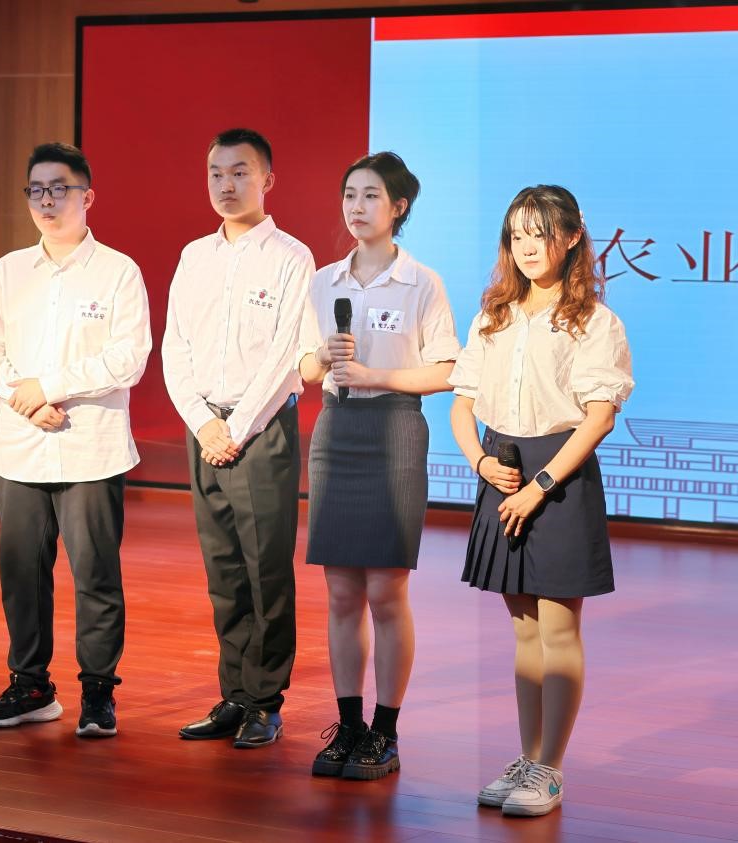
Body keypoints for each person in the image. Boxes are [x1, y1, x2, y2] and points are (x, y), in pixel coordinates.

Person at [448, 185, 634, 816]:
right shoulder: (493, 314)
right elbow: (463, 404)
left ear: (573, 236)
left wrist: (541, 486)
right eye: (517, 235)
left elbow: (599, 416)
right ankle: (528, 758)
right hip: (501, 469)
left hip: (559, 475)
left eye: (541, 233)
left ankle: (550, 769)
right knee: (523, 628)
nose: (527, 247)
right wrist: (480, 463)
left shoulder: (595, 321)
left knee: (558, 626)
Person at [0, 141, 151, 738]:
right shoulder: (9, 270)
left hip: (90, 448)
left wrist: (49, 388)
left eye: (59, 189)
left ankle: (98, 692)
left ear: (87, 197)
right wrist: (22, 395)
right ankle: (31, 687)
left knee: (96, 575)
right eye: (37, 191)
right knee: (22, 573)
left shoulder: (118, 271)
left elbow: (128, 357)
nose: (46, 201)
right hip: (18, 447)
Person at [297, 152, 459, 780]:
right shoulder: (324, 280)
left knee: (386, 591)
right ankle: (349, 724)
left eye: (370, 196)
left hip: (394, 430)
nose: (356, 207)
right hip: (337, 430)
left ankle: (385, 731)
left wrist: (375, 375)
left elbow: (446, 370)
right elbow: (304, 368)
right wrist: (322, 356)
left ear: (399, 207)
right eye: (349, 195)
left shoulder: (422, 283)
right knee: (341, 591)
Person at [162, 128, 315, 748]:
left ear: (267, 180)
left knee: (265, 570)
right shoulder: (193, 256)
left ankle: (265, 701)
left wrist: (237, 426)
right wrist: (203, 423)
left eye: (240, 173)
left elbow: (285, 357)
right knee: (223, 569)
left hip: (262, 431)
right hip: (206, 430)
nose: (226, 185)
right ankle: (233, 694)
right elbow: (175, 347)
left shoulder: (291, 258)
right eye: (216, 174)